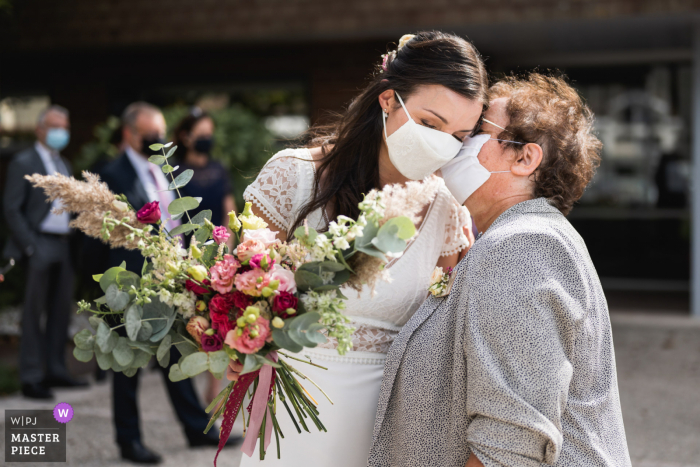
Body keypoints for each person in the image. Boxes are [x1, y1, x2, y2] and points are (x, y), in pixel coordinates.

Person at [229, 31, 488, 467]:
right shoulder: (293, 177)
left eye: (459, 136)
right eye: (430, 123)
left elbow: (442, 334)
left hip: (395, 426)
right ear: (388, 100)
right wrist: (238, 343)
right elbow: (241, 293)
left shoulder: (448, 212)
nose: (443, 145)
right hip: (295, 416)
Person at [368, 74, 632, 467]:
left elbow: (510, 446)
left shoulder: (519, 246)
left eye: (475, 130)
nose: (456, 143)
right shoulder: (525, 236)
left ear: (525, 158)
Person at [97, 102, 238, 464]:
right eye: (151, 134)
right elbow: (105, 234)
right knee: (127, 365)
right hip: (131, 282)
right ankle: (129, 441)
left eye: (161, 132)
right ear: (130, 134)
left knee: (173, 354)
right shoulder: (112, 173)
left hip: (167, 277)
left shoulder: (164, 170)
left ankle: (194, 430)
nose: (158, 140)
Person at [3, 105, 88, 400]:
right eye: (54, 126)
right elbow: (11, 207)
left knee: (60, 310)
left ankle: (56, 370)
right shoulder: (22, 161)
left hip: (63, 243)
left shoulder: (64, 162)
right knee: (33, 311)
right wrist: (29, 245)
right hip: (37, 242)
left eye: (64, 127)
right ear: (40, 129)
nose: (60, 132)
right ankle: (31, 376)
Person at [172, 108, 236, 402]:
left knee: (216, 327)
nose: (207, 140)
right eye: (202, 135)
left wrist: (225, 257)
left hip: (214, 260)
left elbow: (228, 214)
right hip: (181, 260)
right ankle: (189, 399)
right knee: (187, 328)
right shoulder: (172, 172)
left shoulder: (219, 169)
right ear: (186, 137)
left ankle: (213, 396)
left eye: (210, 136)